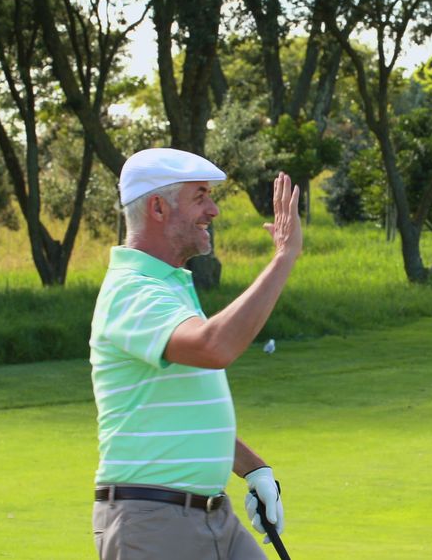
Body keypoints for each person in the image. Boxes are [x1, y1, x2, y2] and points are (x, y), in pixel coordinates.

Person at [89, 147, 302, 559]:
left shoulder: (170, 287)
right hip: (153, 523)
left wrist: (252, 468)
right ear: (157, 207)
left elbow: (182, 408)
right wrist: (283, 256)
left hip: (212, 516)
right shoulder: (132, 290)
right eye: (200, 196)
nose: (214, 210)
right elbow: (215, 346)